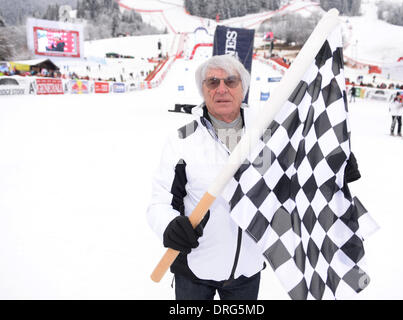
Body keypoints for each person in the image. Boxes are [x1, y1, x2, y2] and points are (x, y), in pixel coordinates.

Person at [146, 54, 361, 300]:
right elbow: (160, 202)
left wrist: (333, 169)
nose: (222, 89)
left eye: (231, 81)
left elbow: (295, 179)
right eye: (212, 82)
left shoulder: (271, 132)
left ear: (243, 88)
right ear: (203, 90)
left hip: (247, 270)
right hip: (194, 269)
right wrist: (169, 225)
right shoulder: (182, 140)